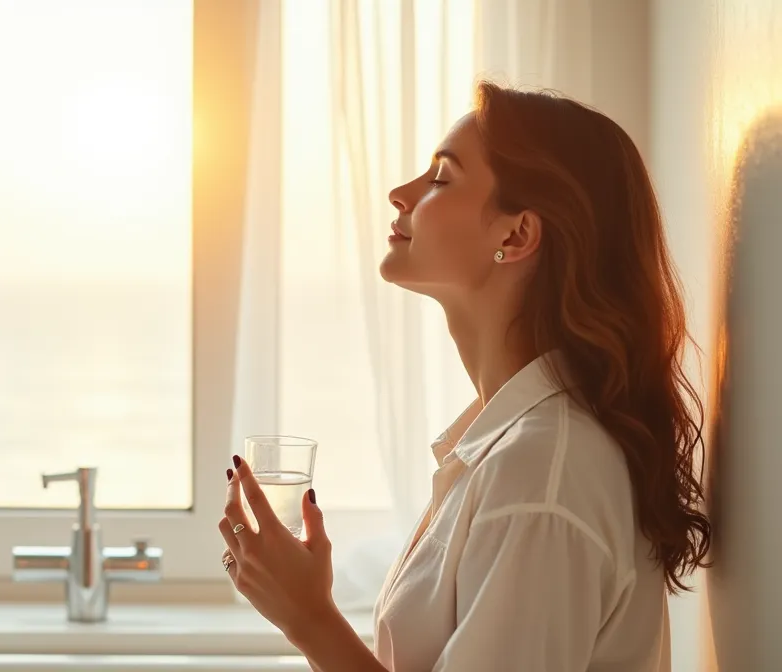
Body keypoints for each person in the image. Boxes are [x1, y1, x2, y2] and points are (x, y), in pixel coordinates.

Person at [216, 80, 713, 671]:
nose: (400, 194)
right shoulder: (509, 445)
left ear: (516, 234)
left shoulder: (540, 477)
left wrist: (310, 619)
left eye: (441, 178)